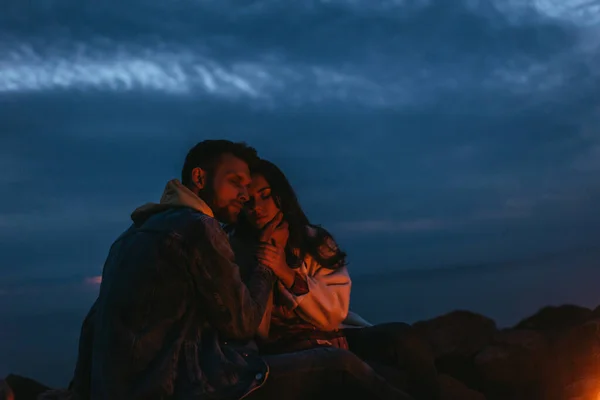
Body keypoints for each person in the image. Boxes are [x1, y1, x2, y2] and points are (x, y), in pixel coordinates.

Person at [67, 140, 413, 400]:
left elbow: (93, 323)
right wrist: (266, 260)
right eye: (236, 182)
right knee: (341, 365)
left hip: (130, 387)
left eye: (251, 190)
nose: (245, 197)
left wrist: (79, 390)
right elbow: (243, 322)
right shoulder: (198, 228)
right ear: (200, 178)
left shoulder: (132, 234)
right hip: (187, 386)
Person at [230, 159, 441, 400]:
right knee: (345, 368)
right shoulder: (234, 249)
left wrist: (286, 273)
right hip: (286, 351)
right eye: (248, 201)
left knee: (403, 337)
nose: (257, 206)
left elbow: (335, 313)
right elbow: (252, 327)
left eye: (265, 195)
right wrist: (264, 261)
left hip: (331, 334)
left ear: (281, 194)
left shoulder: (313, 240)